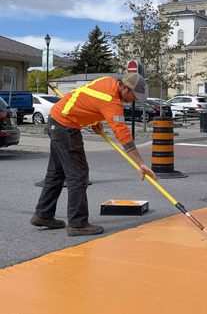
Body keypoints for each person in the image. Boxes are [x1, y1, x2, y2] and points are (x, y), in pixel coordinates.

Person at [31, 73, 156, 236]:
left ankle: (43, 214)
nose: (134, 100)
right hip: (66, 128)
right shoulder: (112, 102)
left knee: (56, 173)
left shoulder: (106, 81)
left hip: (56, 121)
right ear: (125, 88)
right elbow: (123, 135)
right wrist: (140, 164)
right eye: (134, 96)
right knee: (79, 176)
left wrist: (95, 121)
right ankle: (78, 224)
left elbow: (88, 96)